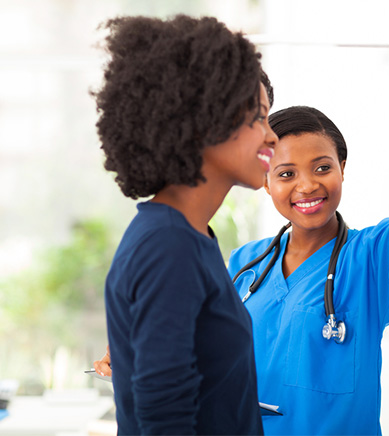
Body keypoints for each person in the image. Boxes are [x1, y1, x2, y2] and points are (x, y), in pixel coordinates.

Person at [95, 28, 389, 435]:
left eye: (323, 168)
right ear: (268, 180)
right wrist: (145, 347)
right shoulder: (237, 263)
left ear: (343, 168)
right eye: (285, 173)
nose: (307, 185)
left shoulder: (366, 256)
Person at [93, 14, 277, 435]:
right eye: (258, 117)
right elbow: (165, 418)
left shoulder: (188, 236)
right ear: (204, 118)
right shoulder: (168, 246)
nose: (271, 137)